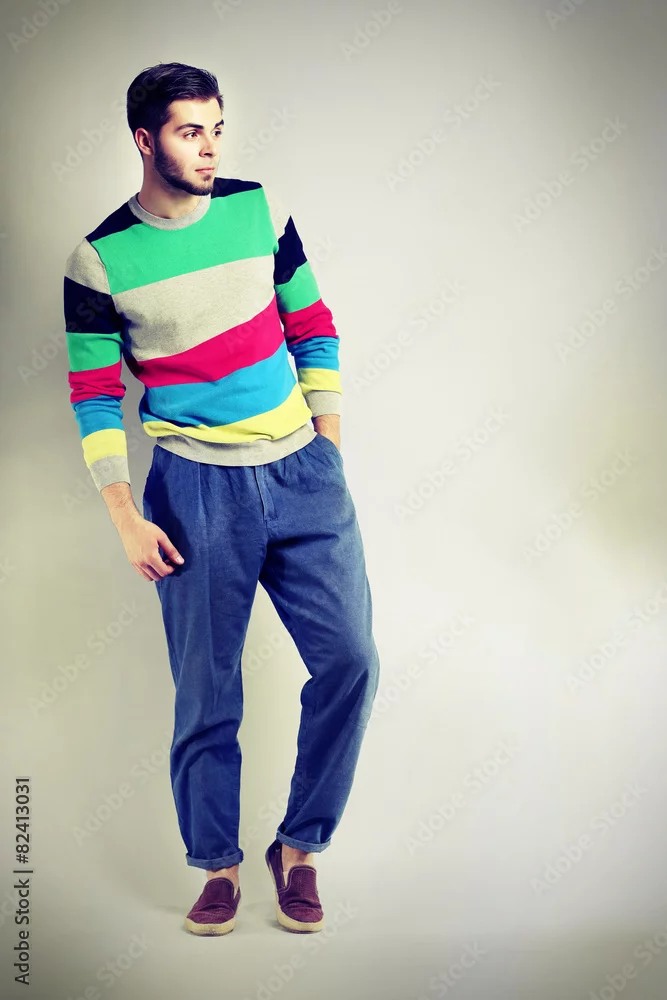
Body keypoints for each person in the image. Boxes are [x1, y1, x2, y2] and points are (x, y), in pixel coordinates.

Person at [63, 61, 380, 936]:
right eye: (188, 132)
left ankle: (299, 848)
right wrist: (124, 515)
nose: (209, 149)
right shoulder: (98, 260)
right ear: (145, 140)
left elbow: (311, 325)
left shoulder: (257, 211)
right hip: (194, 488)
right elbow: (94, 394)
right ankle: (217, 866)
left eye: (215, 130)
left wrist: (328, 449)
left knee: (351, 661)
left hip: (303, 471)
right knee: (207, 692)